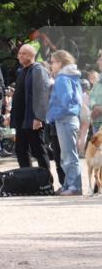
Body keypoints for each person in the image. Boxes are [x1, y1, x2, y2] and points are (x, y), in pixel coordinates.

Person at [11, 44, 53, 174]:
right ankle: (27, 178)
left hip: (33, 119)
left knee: (38, 150)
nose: (20, 56)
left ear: (31, 55)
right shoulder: (22, 71)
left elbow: (43, 94)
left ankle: (46, 179)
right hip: (21, 120)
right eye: (19, 53)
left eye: (23, 53)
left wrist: (39, 117)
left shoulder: (38, 70)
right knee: (21, 150)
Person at [46, 50, 83, 196]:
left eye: (53, 62)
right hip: (70, 119)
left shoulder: (62, 78)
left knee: (69, 156)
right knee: (66, 156)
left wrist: (53, 114)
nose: (51, 65)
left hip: (65, 119)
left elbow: (65, 100)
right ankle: (69, 185)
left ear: (60, 63)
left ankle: (74, 186)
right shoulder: (71, 76)